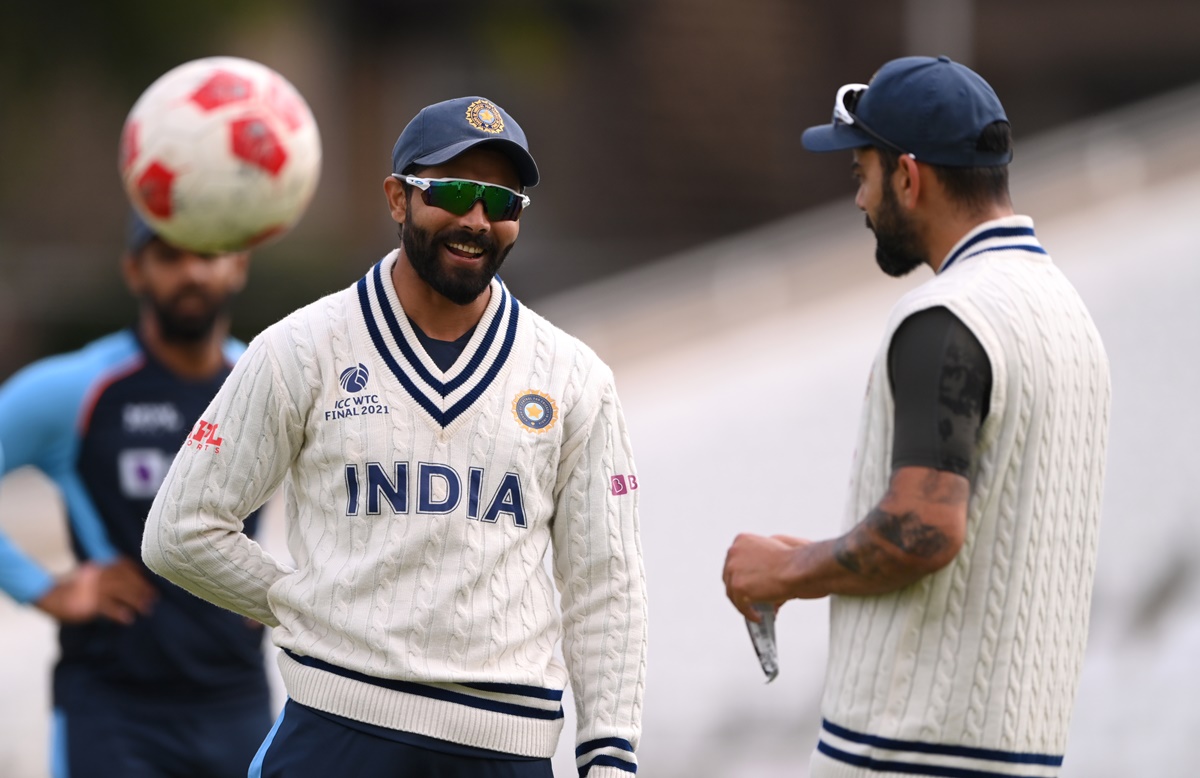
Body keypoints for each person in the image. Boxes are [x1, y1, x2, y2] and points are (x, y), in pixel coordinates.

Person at [143, 95, 647, 778]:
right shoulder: (301, 348)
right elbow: (180, 529)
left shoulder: (574, 377)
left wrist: (610, 754)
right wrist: (309, 606)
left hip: (507, 752)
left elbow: (604, 582)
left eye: (501, 203)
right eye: (453, 192)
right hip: (337, 734)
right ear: (397, 198)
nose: (476, 220)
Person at [723, 56, 1111, 777]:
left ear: (909, 176)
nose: (860, 200)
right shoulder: (1069, 318)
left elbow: (925, 529)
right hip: (1018, 756)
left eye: (860, 173)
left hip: (906, 753)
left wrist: (785, 571)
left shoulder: (946, 315)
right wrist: (827, 550)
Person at [0, 214, 272, 777]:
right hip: (113, 712)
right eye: (170, 256)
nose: (192, 272)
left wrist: (292, 581)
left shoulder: (267, 382)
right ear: (136, 270)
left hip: (238, 706)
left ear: (239, 264)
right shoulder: (80, 388)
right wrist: (41, 589)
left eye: (209, 251)